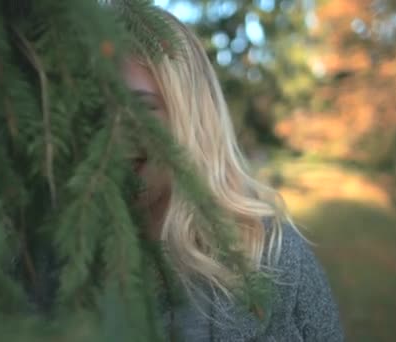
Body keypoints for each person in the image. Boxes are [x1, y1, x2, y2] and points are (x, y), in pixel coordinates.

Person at [121, 9, 343, 341]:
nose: (111, 133)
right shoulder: (46, 265)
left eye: (140, 107)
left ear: (191, 118)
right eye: (97, 105)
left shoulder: (273, 258)